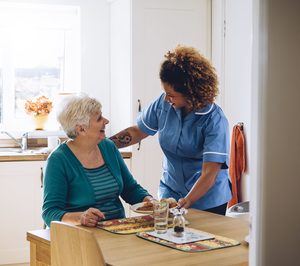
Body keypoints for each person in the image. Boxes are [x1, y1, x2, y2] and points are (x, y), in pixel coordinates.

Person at [110, 45, 232, 215]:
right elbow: (138, 131)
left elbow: (209, 173)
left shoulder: (214, 120)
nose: (167, 98)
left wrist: (186, 201)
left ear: (191, 93)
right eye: (165, 93)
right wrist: (105, 145)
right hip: (171, 191)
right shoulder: (163, 103)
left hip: (207, 199)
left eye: (172, 95)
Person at [42, 95, 152, 227]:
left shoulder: (108, 147)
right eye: (99, 118)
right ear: (81, 129)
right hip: (80, 235)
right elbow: (50, 213)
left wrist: (150, 201)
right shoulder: (58, 160)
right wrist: (81, 217)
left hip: (117, 229)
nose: (106, 121)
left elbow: (130, 189)